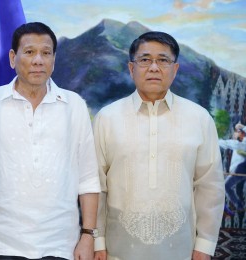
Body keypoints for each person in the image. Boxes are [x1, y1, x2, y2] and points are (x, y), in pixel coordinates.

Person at [0, 22, 101, 260]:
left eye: (46, 53)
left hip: (61, 245)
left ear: (54, 60)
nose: (38, 60)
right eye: (29, 52)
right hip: (3, 244)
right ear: (13, 58)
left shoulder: (74, 105)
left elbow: (87, 179)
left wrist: (88, 235)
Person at [93, 31, 225, 260]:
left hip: (181, 251)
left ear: (175, 69)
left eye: (163, 60)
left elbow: (209, 187)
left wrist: (204, 245)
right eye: (145, 60)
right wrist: (98, 242)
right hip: (117, 251)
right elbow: (97, 186)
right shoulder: (107, 118)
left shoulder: (199, 119)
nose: (154, 67)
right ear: (131, 69)